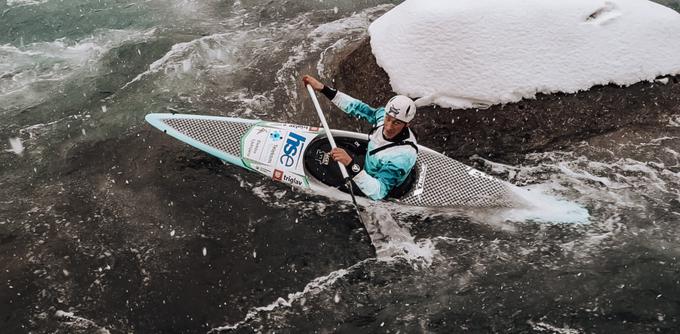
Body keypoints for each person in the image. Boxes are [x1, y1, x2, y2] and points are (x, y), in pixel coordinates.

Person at [302, 75, 418, 201]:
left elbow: (379, 192)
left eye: (396, 123)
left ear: (407, 124)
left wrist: (351, 164)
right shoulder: (383, 116)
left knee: (325, 170)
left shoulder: (401, 157)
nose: (388, 127)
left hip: (377, 185)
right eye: (388, 118)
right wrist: (323, 89)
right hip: (369, 163)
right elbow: (357, 107)